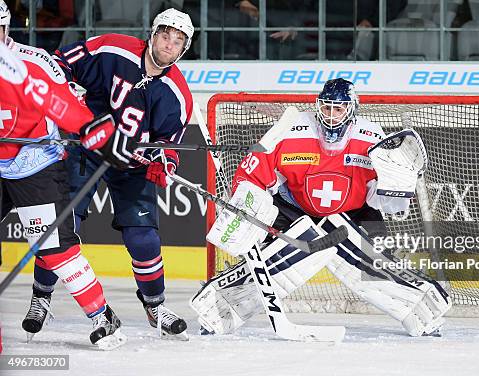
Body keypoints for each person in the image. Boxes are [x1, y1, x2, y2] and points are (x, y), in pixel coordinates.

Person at [192, 78, 451, 337]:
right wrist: (247, 205)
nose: (330, 115)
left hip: (355, 211)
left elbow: (384, 201)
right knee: (280, 262)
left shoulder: (371, 136)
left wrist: (396, 187)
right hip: (295, 207)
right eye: (326, 108)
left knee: (372, 267)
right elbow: (253, 172)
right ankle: (218, 307)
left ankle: (421, 306)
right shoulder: (291, 127)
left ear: (351, 110)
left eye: (338, 109)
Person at [29, 7, 194, 339]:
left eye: (178, 41)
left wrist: (164, 161)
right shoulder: (112, 48)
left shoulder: (178, 96)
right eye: (165, 35)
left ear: (183, 49)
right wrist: (66, 93)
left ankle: (155, 305)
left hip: (130, 165)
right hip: (85, 149)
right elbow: (59, 64)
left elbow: (167, 144)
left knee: (143, 237)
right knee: (62, 226)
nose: (169, 45)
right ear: (152, 33)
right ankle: (40, 297)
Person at [0, 0, 135, 349]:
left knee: (54, 249)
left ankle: (102, 316)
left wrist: (94, 129)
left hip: (34, 163)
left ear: (5, 30)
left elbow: (59, 102)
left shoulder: (25, 67)